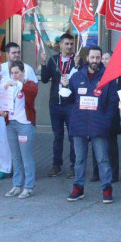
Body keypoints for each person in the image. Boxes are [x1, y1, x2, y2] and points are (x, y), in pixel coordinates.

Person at [66, 46, 119, 204]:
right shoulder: (76, 77)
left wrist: (105, 121)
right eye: (92, 57)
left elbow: (112, 103)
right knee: (79, 159)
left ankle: (107, 188)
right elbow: (70, 101)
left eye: (98, 58)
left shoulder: (108, 78)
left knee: (103, 159)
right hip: (79, 124)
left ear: (101, 58)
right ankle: (78, 188)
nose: (95, 61)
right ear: (87, 58)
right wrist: (64, 87)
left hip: (99, 124)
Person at [0, 42, 38, 180]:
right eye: (13, 52)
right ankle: (5, 168)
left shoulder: (26, 69)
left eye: (18, 52)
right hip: (4, 112)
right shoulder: (1, 67)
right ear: (7, 54)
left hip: (22, 114)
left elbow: (34, 89)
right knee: (4, 140)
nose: (16, 55)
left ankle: (23, 171)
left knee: (22, 144)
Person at [0, 60, 38, 199]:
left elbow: (31, 92)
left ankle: (29, 186)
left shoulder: (28, 84)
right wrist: (0, 111)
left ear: (23, 73)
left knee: (26, 157)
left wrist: (16, 84)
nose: (14, 75)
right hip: (11, 124)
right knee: (16, 157)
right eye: (12, 73)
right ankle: (17, 185)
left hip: (25, 125)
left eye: (17, 73)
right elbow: (1, 103)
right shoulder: (7, 85)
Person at [41, 33, 78, 178]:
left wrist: (79, 65)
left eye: (71, 44)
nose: (69, 47)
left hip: (70, 105)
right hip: (55, 104)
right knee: (58, 136)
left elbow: (81, 78)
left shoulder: (76, 60)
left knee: (73, 136)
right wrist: (43, 65)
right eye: (66, 44)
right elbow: (44, 79)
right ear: (60, 45)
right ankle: (57, 165)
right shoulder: (53, 59)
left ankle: (74, 166)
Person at [100, 51, 121, 183]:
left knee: (111, 145)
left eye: (106, 58)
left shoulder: (119, 74)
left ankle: (114, 174)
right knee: (97, 143)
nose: (104, 61)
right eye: (102, 58)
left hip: (113, 113)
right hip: (99, 113)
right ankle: (97, 173)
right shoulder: (98, 73)